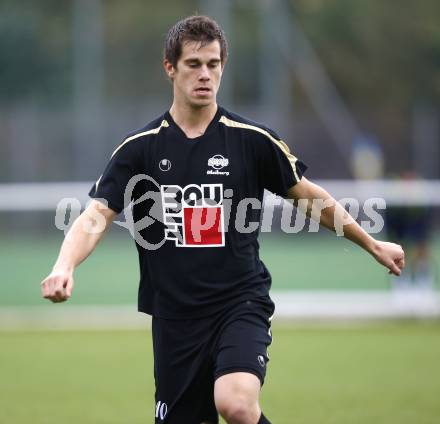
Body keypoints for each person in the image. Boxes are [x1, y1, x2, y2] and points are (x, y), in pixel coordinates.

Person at [40, 15, 405, 424]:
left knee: (236, 403)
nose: (205, 75)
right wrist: (63, 265)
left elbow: (309, 197)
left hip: (239, 303)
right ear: (170, 68)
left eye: (213, 65)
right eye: (194, 64)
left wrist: (371, 243)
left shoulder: (251, 139)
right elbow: (96, 215)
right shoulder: (139, 150)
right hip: (174, 318)